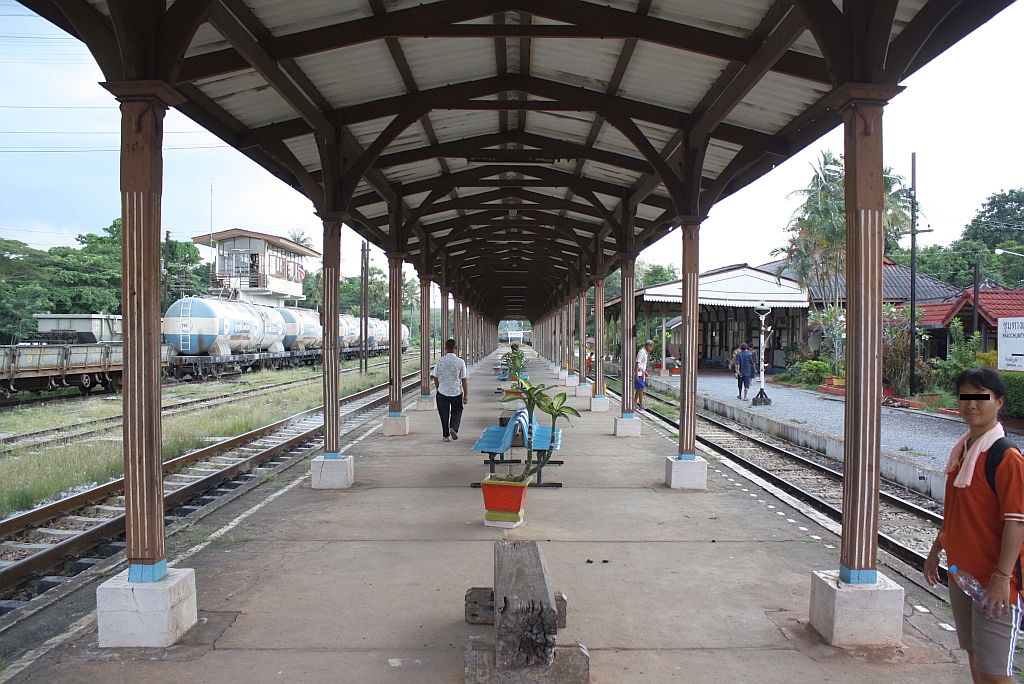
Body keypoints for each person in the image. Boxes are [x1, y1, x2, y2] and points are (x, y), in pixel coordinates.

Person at [924, 367, 1024, 683]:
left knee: (995, 673)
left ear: (999, 403)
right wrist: (937, 549)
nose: (972, 404)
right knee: (975, 662)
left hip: (995, 582)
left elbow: (1017, 523)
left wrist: (1001, 578)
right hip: (961, 575)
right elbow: (957, 512)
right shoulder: (964, 450)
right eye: (966, 396)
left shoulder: (1005, 457)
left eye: (982, 397)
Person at [431, 338, 469, 442]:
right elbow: (464, 379)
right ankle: (453, 428)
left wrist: (439, 388)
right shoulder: (460, 362)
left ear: (445, 348)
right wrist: (465, 395)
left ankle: (446, 436)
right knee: (457, 410)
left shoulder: (440, 361)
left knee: (444, 414)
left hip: (442, 392)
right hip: (456, 391)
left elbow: (435, 377)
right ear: (456, 348)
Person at [634, 340, 654, 409]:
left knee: (640, 388)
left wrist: (645, 371)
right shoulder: (642, 352)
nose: (651, 349)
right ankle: (641, 404)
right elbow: (637, 363)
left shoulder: (645, 353)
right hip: (639, 373)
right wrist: (636, 374)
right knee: (641, 388)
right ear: (648, 346)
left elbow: (643, 364)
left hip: (642, 373)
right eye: (651, 348)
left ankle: (634, 403)